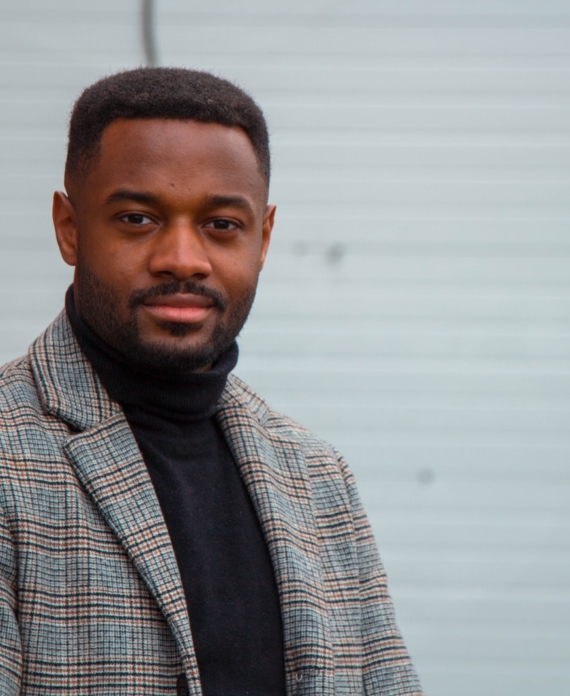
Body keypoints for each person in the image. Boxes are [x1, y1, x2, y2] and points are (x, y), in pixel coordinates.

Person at [0, 68, 423, 696]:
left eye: (221, 225)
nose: (183, 258)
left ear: (263, 239)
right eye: (139, 218)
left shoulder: (316, 475)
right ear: (69, 227)